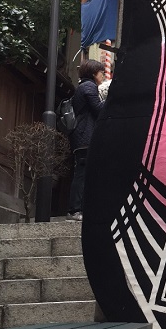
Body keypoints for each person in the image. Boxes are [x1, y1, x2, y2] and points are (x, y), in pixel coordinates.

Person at [67, 59, 106, 221]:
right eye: (101, 72)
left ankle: (79, 209)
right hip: (85, 137)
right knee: (82, 174)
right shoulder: (89, 87)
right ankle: (75, 210)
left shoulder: (83, 86)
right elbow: (98, 109)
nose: (103, 75)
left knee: (84, 173)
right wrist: (112, 98)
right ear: (93, 73)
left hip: (82, 136)